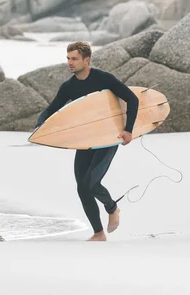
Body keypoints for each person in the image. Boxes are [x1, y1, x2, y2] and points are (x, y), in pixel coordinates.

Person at [34, 41, 139, 241]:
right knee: (82, 187)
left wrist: (128, 130)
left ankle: (112, 207)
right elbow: (51, 109)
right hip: (85, 140)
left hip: (108, 138)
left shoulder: (103, 79)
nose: (70, 63)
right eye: (68, 59)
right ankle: (98, 233)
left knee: (92, 183)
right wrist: (41, 124)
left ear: (86, 60)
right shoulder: (69, 87)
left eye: (74, 59)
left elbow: (132, 99)